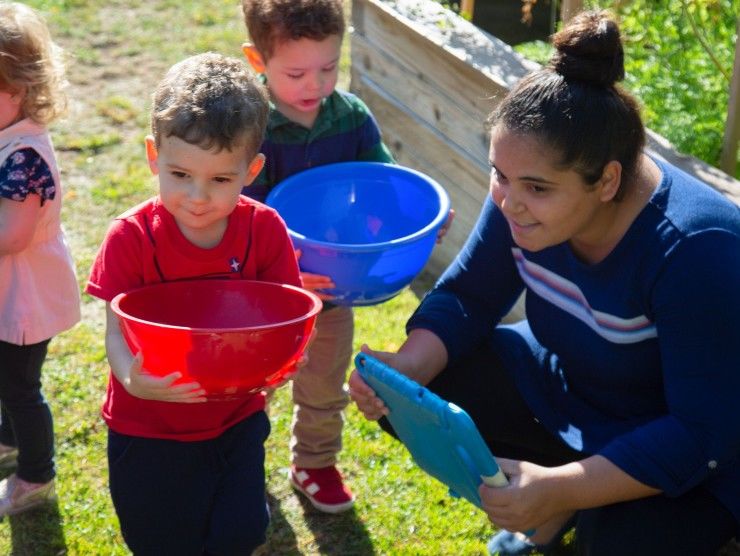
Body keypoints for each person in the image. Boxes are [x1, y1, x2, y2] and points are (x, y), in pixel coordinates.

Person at [349, 9, 740, 556]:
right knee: (422, 399)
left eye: (535, 187)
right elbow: (470, 295)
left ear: (607, 180)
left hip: (684, 444)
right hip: (571, 390)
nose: (508, 200)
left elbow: (703, 433)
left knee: (615, 545)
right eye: (498, 174)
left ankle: (563, 503)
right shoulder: (524, 195)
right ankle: (556, 506)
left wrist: (561, 488)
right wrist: (409, 369)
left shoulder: (695, 250)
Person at [85, 53, 301, 555]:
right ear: (152, 156)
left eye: (221, 179)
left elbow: (287, 317)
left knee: (241, 532)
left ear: (252, 170)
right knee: (160, 539)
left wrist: (287, 359)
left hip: (237, 416)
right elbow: (117, 330)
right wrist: (133, 379)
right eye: (179, 174)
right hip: (150, 424)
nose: (198, 196)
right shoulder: (130, 238)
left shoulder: (264, 229)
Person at [239, 0, 397, 514]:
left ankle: (315, 462)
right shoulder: (251, 127)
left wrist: (410, 223)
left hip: (333, 286)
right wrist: (284, 275)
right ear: (257, 60)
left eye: (329, 68)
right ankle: (239, 465)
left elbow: (384, 184)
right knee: (249, 388)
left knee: (325, 383)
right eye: (296, 72)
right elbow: (241, 217)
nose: (316, 84)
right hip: (263, 296)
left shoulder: (349, 117)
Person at [0, 2, 80, 517]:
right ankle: (8, 441)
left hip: (25, 301)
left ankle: (36, 475)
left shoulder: (24, 156)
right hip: (9, 296)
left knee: (20, 386)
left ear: (19, 89)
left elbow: (12, 234)